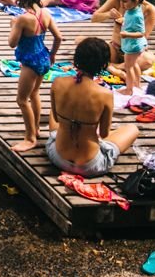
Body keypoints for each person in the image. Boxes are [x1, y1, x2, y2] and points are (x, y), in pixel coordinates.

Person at [46, 38, 138, 177]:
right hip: (90, 165)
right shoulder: (105, 94)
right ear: (103, 64)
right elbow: (104, 134)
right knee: (132, 129)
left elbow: (56, 118)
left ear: (77, 58)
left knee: (56, 115)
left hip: (58, 157)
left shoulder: (58, 83)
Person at [8, 0, 63, 153]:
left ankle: (30, 138)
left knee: (22, 99)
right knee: (34, 93)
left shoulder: (23, 19)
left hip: (30, 62)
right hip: (43, 57)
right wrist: (53, 54)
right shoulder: (45, 14)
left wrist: (13, 26)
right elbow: (58, 37)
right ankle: (36, 128)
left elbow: (12, 43)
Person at [89, 0, 155, 74]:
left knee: (148, 60)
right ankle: (121, 67)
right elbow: (94, 18)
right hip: (115, 47)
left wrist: (125, 26)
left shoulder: (150, 10)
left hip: (134, 51)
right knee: (92, 50)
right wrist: (109, 14)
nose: (122, 4)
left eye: (126, 0)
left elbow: (143, 36)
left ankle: (113, 67)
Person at [117, 0, 148, 95]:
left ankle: (129, 89)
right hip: (131, 44)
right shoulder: (131, 10)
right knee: (134, 65)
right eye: (120, 1)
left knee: (128, 66)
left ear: (135, 1)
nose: (122, 4)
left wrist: (127, 34)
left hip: (133, 45)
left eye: (125, 1)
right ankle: (137, 85)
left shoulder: (137, 15)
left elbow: (141, 33)